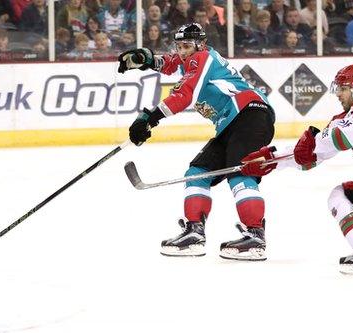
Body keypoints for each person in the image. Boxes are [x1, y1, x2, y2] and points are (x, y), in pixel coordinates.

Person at [117, 23, 275, 261]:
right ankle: (194, 232)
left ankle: (255, 236)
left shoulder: (202, 57)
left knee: (240, 171)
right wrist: (146, 59)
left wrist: (150, 118)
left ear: (200, 44)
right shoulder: (191, 59)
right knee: (197, 171)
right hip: (231, 123)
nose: (182, 51)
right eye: (179, 46)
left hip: (250, 114)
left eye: (187, 46)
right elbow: (172, 63)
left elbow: (183, 94)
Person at [241, 63, 353, 274]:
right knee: (340, 195)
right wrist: (271, 160)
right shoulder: (346, 120)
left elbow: (341, 139)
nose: (338, 94)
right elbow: (313, 155)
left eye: (344, 88)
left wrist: (314, 141)